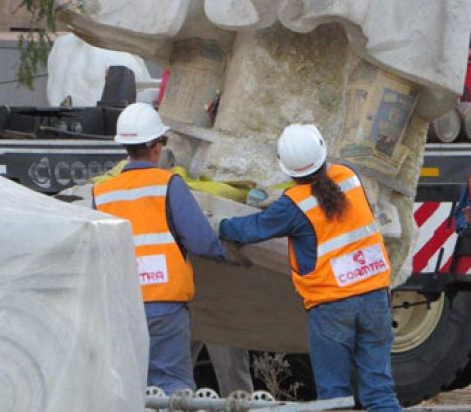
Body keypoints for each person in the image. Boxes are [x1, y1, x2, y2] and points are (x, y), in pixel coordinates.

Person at [219, 124, 402, 411]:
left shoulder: (293, 204)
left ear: (287, 169)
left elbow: (249, 229)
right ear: (323, 152)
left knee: (335, 397)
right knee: (380, 393)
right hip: (375, 296)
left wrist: (219, 225)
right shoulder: (349, 177)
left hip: (332, 307)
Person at [92, 102, 228, 394]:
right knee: (172, 389)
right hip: (164, 308)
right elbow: (203, 241)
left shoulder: (101, 193)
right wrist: (225, 252)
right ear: (156, 146)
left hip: (122, 308)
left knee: (129, 391)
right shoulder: (168, 184)